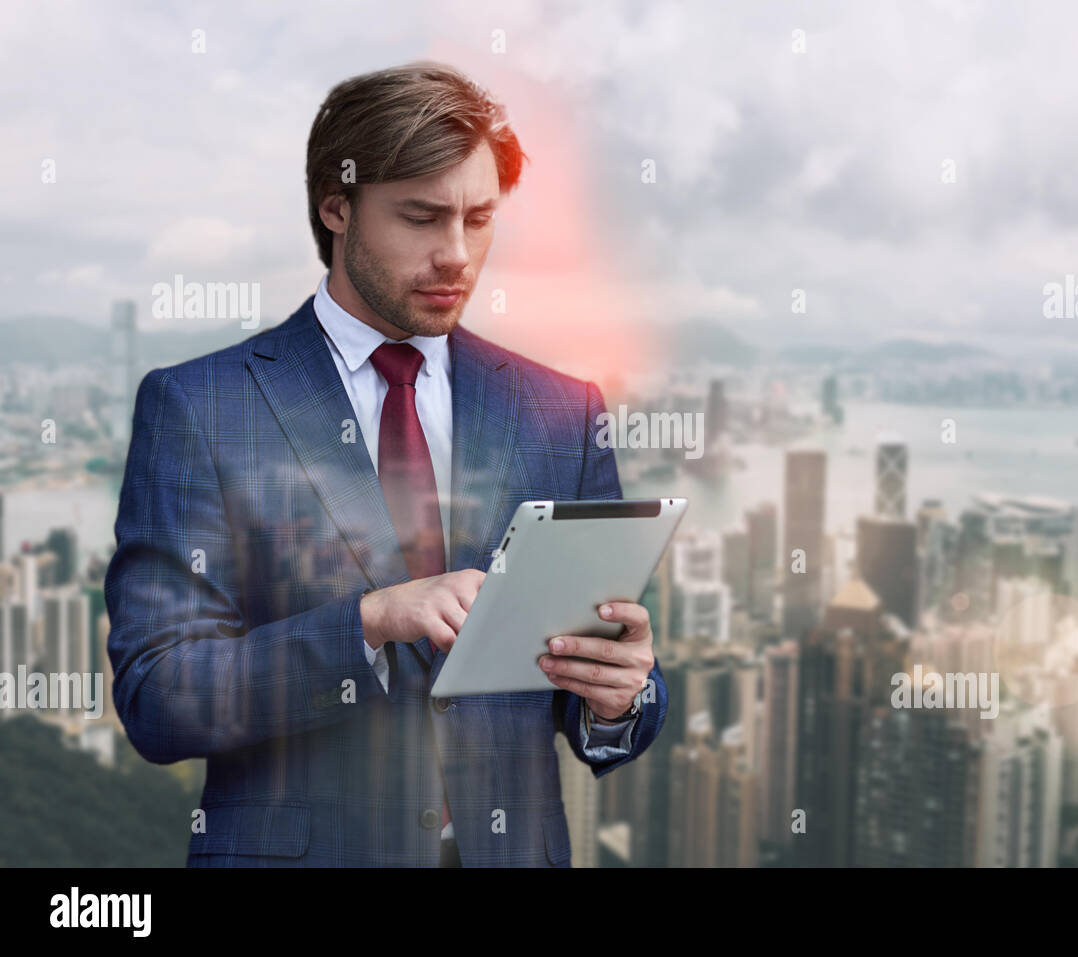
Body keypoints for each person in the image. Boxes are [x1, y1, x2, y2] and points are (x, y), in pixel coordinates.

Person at [105, 62, 667, 867]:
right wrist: (369, 622)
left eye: (479, 218)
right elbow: (159, 698)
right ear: (336, 206)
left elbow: (601, 689)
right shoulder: (201, 408)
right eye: (421, 217)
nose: (457, 254)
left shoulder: (560, 412)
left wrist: (620, 695)